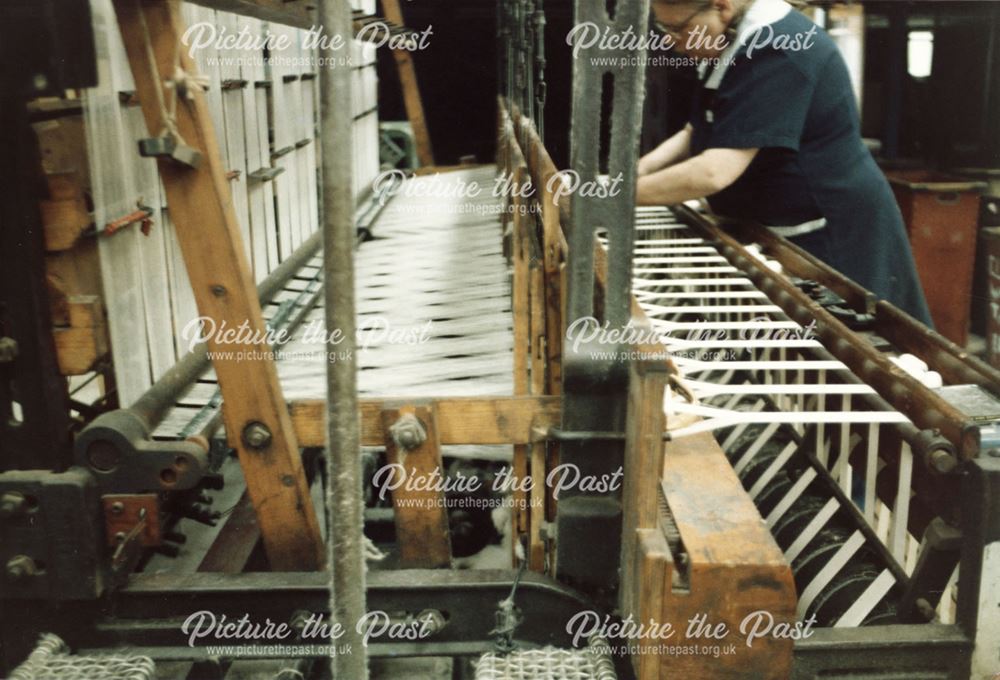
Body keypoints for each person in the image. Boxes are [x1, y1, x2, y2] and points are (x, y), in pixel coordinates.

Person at [637, 0, 933, 325]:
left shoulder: (779, 48)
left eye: (677, 28)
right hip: (776, 225)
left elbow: (714, 170)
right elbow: (697, 129)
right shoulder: (728, 43)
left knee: (851, 347)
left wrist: (619, 196)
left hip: (830, 234)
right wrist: (635, 173)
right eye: (663, 28)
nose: (669, 40)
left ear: (721, 8)